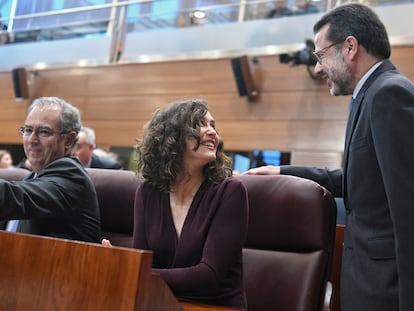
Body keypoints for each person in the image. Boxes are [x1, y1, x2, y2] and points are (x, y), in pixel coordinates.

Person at [245, 3, 414, 311]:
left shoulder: (388, 94)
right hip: (369, 285)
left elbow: (409, 210)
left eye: (320, 55)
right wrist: (283, 171)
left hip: (386, 292)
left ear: (350, 47)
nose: (317, 68)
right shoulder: (370, 94)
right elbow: (358, 182)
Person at [103, 99, 249, 310]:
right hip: (163, 303)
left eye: (213, 126)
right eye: (200, 123)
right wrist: (132, 267)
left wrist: (131, 269)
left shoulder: (230, 191)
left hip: (215, 306)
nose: (212, 133)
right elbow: (146, 263)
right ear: (172, 136)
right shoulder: (148, 193)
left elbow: (209, 276)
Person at [0, 97, 101, 243]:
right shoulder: (30, 180)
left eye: (44, 132)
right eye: (28, 130)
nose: (32, 140)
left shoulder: (72, 178)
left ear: (68, 140)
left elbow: (14, 197)